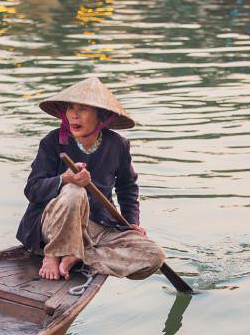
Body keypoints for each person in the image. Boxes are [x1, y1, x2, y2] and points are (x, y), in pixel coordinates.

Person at [16, 77, 166, 281]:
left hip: (96, 227)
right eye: (70, 108)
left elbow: (127, 188)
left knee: (154, 256)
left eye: (83, 109)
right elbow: (33, 190)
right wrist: (64, 179)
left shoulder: (118, 145)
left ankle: (78, 255)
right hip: (52, 226)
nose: (74, 115)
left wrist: (132, 222)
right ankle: (52, 254)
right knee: (74, 191)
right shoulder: (52, 142)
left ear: (100, 116)